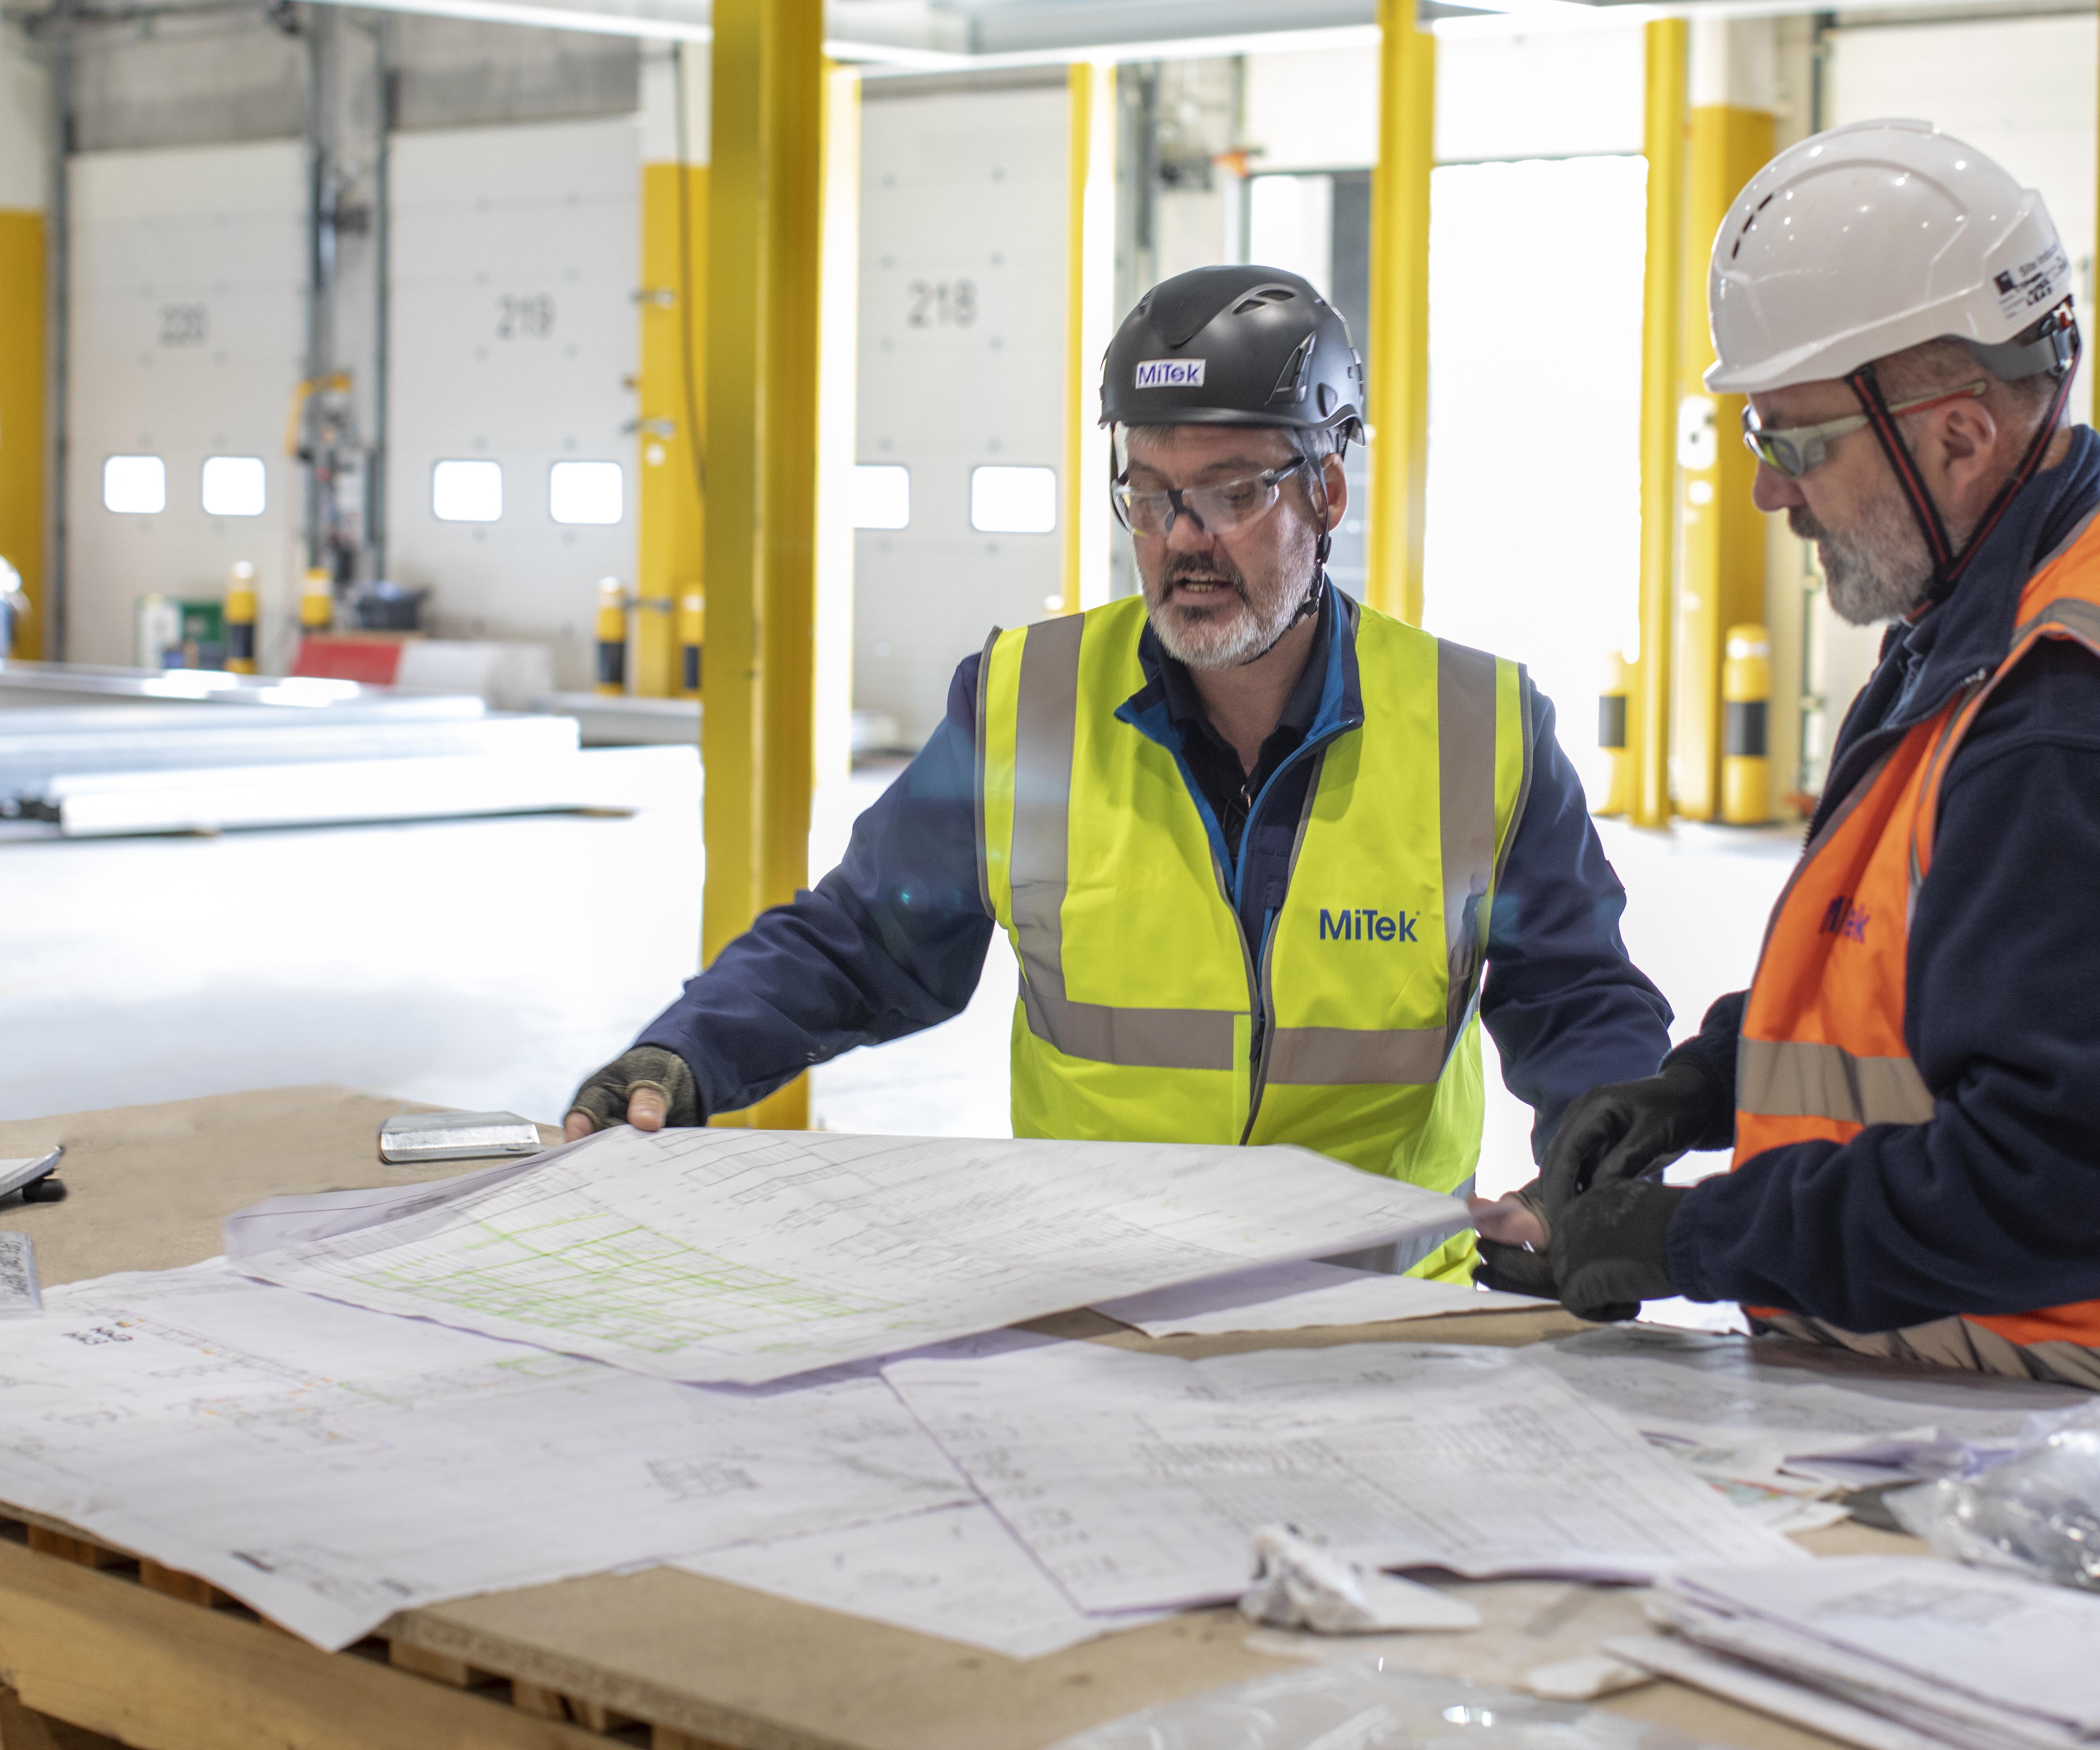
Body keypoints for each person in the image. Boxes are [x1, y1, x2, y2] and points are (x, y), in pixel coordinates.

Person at [1477, 120, 2100, 1426]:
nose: (1767, 498)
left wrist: (1689, 1240)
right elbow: (1927, 971)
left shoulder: (2068, 729)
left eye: (1793, 446)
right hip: (2057, 1426)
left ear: (1957, 438)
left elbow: (2060, 1180)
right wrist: (1706, 1084)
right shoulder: (2021, 602)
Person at [566, 264, 1672, 1279]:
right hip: (1094, 1295)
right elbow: (863, 940)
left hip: (1378, 1311)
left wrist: (1586, 1187)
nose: (1183, 539)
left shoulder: (1478, 728)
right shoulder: (1024, 704)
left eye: (1233, 493)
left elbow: (1576, 996)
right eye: (1149, 495)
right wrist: (686, 1051)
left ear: (1327, 490)